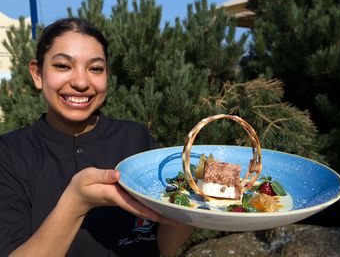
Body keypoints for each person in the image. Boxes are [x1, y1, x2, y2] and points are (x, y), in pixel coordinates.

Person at [0, 17, 194, 257]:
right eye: (63, 66)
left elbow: (163, 246)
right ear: (37, 73)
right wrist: (76, 202)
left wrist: (197, 200)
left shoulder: (136, 139)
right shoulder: (9, 154)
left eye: (95, 68)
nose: (81, 82)